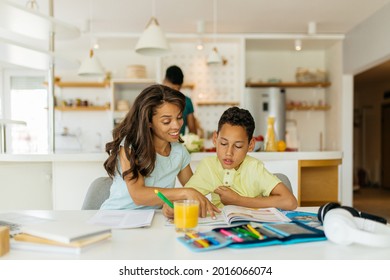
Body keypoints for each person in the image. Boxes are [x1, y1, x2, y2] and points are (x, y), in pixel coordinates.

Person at [100, 84, 219, 218]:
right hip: (116, 217)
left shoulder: (179, 151)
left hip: (154, 219)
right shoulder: (130, 146)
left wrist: (172, 205)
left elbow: (193, 190)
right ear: (148, 122)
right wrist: (184, 193)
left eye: (179, 118)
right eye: (166, 121)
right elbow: (138, 195)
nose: (176, 125)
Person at [184, 106, 298, 210]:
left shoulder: (254, 168)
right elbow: (183, 198)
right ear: (215, 138)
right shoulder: (209, 166)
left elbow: (290, 202)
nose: (229, 153)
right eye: (223, 143)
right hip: (221, 226)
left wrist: (238, 200)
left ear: (251, 145)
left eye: (238, 146)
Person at [163, 65, 197, 135]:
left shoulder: (187, 102)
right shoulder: (155, 100)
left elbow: (192, 129)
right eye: (171, 88)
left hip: (179, 143)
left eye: (177, 89)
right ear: (164, 81)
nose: (174, 92)